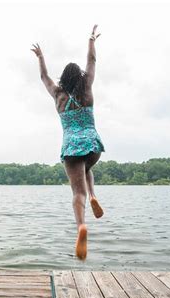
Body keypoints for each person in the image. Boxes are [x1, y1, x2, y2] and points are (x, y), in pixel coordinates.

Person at [31, 25, 105, 260]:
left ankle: (81, 226)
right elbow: (92, 61)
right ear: (80, 76)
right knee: (87, 168)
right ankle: (94, 195)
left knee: (76, 192)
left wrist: (41, 57)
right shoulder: (87, 88)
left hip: (72, 146)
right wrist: (91, 40)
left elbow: (44, 77)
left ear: (64, 78)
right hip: (93, 144)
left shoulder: (58, 95)